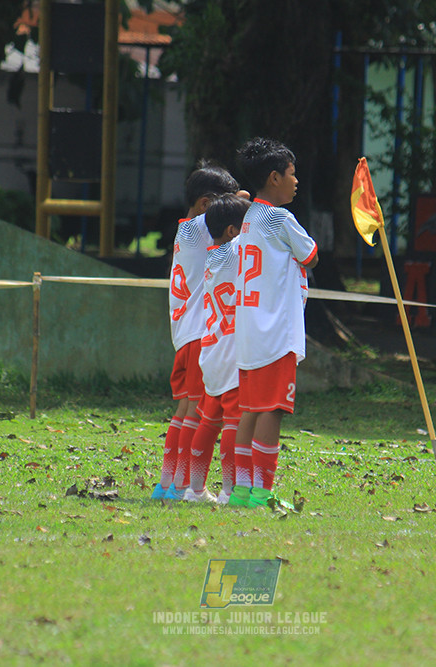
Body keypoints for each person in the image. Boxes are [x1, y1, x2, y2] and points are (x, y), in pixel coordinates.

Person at [229, 138, 318, 508]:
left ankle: (242, 490)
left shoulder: (247, 216)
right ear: (274, 178)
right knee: (273, 410)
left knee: (249, 409)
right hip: (275, 331)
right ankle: (263, 491)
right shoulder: (280, 218)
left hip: (249, 330)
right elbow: (311, 255)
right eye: (292, 174)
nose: (297, 181)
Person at [153, 162, 243, 500]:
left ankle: (167, 484)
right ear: (206, 204)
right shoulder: (202, 228)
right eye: (224, 203)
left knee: (184, 411)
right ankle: (182, 486)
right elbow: (238, 214)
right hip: (197, 333)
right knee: (196, 412)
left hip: (184, 334)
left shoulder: (187, 229)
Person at [183, 194, 250, 504]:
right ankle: (228, 491)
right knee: (234, 424)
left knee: (208, 423)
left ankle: (195, 489)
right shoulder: (238, 253)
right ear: (235, 232)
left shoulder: (212, 256)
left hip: (210, 351)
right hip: (232, 353)